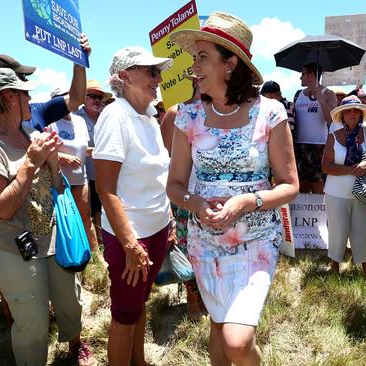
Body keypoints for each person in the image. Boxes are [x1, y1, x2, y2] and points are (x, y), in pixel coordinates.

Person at [168, 12, 299, 365]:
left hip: (255, 242)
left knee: (238, 341)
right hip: (204, 243)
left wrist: (245, 201)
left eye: (203, 57)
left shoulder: (270, 113)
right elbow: (175, 185)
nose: (194, 66)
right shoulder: (188, 116)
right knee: (218, 324)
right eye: (194, 57)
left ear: (230, 65)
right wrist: (195, 204)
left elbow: (289, 187)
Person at [0, 68, 94, 365]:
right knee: (32, 325)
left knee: (71, 304)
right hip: (16, 248)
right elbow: (1, 207)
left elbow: (57, 187)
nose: (30, 97)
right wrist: (32, 162)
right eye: (25, 92)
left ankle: (74, 346)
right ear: (9, 97)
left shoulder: (29, 132)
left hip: (55, 240)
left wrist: (53, 164)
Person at [94, 46, 172, 366]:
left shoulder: (150, 117)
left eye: (158, 71)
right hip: (131, 237)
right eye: (150, 71)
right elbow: (106, 189)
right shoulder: (116, 116)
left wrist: (168, 220)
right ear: (124, 77)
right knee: (125, 316)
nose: (158, 78)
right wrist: (130, 244)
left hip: (155, 229)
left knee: (139, 305)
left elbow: (156, 177)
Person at [160, 81, 208, 321]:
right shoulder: (174, 113)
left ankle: (205, 294)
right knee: (185, 246)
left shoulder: (219, 113)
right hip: (182, 195)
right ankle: (192, 296)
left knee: (205, 249)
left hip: (209, 196)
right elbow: (163, 157)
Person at [322, 95, 366, 277]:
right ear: (343, 115)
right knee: (338, 231)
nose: (352, 113)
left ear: (361, 114)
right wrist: (349, 170)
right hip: (336, 193)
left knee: (363, 232)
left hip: (363, 192)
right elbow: (325, 166)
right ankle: (334, 267)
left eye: (356, 110)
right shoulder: (334, 137)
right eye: (348, 111)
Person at [47, 86, 99, 252]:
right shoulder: (50, 122)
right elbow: (44, 150)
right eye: (64, 97)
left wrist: (99, 151)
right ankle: (68, 256)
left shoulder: (80, 121)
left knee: (86, 218)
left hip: (80, 179)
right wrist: (63, 158)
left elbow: (82, 149)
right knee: (64, 221)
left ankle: (94, 257)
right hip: (59, 182)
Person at [73, 79, 110, 239]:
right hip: (86, 176)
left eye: (99, 97)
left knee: (103, 209)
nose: (97, 100)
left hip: (105, 173)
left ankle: (102, 243)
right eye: (92, 96)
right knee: (89, 211)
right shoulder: (75, 118)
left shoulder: (106, 117)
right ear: (84, 98)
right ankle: (94, 246)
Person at [293, 63, 338, 193]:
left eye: (303, 74)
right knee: (301, 188)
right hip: (299, 146)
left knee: (319, 188)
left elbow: (332, 120)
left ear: (312, 75)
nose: (300, 78)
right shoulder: (298, 94)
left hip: (319, 147)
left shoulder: (329, 93)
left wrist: (321, 100)